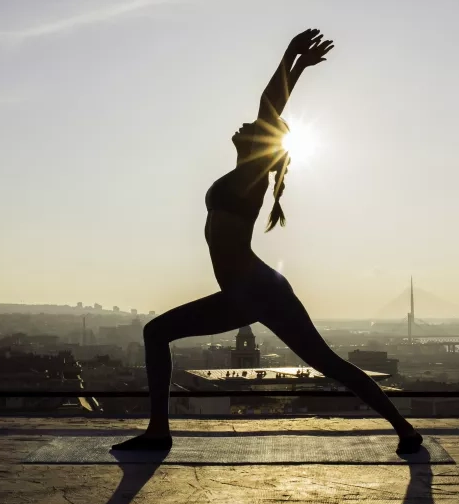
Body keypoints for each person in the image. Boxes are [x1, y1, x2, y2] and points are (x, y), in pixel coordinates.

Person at [113, 29, 423, 454]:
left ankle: (158, 431)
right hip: (256, 289)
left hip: (252, 290)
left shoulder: (250, 176)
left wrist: (291, 55)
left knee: (155, 333)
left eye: (253, 128)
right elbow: (270, 113)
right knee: (326, 362)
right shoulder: (245, 173)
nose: (243, 125)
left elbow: (268, 106)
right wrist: (298, 68)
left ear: (262, 144)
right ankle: (404, 430)